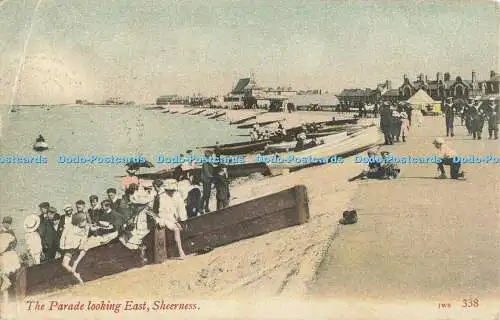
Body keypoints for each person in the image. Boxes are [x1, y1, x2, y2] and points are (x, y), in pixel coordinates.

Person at [153, 179, 187, 259]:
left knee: (180, 227)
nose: (172, 192)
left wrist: (181, 219)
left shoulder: (176, 195)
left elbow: (180, 208)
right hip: (162, 217)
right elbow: (164, 213)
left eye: (173, 190)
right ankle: (180, 251)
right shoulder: (162, 197)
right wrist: (176, 223)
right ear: (166, 190)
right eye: (170, 190)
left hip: (172, 217)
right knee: (176, 229)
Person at [59, 213, 89, 284]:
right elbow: (63, 237)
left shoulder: (83, 230)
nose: (86, 223)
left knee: (85, 248)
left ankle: (76, 264)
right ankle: (75, 274)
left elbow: (83, 242)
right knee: (64, 264)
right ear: (79, 222)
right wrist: (62, 247)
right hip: (68, 249)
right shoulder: (70, 227)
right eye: (84, 221)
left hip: (74, 248)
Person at [0, 232, 21, 307]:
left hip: (6, 258)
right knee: (12, 279)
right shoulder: (6, 236)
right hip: (9, 258)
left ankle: (8, 300)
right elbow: (14, 241)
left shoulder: (4, 236)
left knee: (7, 279)